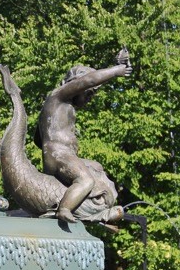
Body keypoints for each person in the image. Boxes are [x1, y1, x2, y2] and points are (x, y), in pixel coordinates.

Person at [36, 49, 132, 223]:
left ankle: (90, 205)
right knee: (86, 180)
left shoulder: (62, 107)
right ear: (76, 86)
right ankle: (65, 209)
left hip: (62, 154)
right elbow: (89, 80)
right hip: (58, 155)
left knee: (97, 167)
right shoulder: (59, 95)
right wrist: (117, 70)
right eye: (88, 93)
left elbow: (37, 138)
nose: (90, 98)